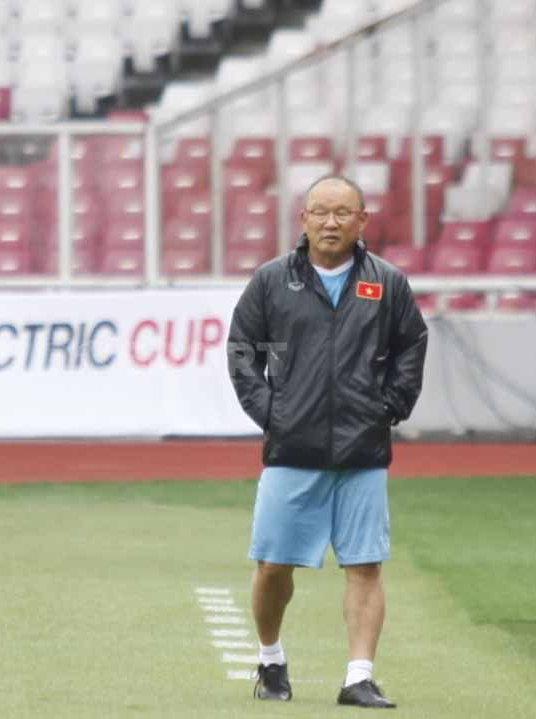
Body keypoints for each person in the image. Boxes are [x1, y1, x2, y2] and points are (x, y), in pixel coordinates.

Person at [226, 174, 428, 708]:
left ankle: (358, 677)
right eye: (320, 211)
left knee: (365, 565)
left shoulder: (387, 283)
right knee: (273, 565)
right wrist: (273, 413)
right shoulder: (272, 282)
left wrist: (391, 408)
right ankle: (271, 660)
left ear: (362, 221)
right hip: (292, 450)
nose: (331, 222)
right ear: (303, 219)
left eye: (343, 213)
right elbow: (242, 349)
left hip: (363, 452)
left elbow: (412, 346)